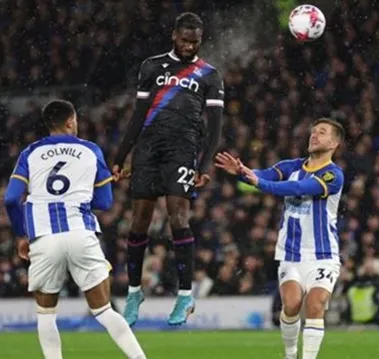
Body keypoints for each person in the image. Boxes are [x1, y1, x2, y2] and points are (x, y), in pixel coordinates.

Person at [3, 100, 146, 359]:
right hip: (80, 233)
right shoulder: (91, 150)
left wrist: (22, 234)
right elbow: (105, 203)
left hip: (44, 238)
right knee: (104, 311)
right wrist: (81, 196)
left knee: (46, 315)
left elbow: (11, 199)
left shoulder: (30, 153)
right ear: (70, 122)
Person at [112, 12, 224, 326]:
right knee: (139, 220)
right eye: (185, 40)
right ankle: (134, 292)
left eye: (195, 41)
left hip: (183, 148)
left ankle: (185, 294)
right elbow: (137, 116)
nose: (189, 46)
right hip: (148, 149)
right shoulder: (151, 66)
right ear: (174, 35)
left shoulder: (209, 75)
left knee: (178, 215)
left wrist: (203, 164)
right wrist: (121, 155)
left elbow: (215, 129)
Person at [215, 118, 345, 359]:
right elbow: (262, 174)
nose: (314, 135)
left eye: (322, 132)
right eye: (313, 131)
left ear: (334, 143)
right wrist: (243, 172)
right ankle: (290, 354)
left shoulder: (333, 175)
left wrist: (259, 183)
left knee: (315, 305)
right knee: (292, 305)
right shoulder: (291, 166)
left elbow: (298, 189)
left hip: (323, 255)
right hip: (291, 253)